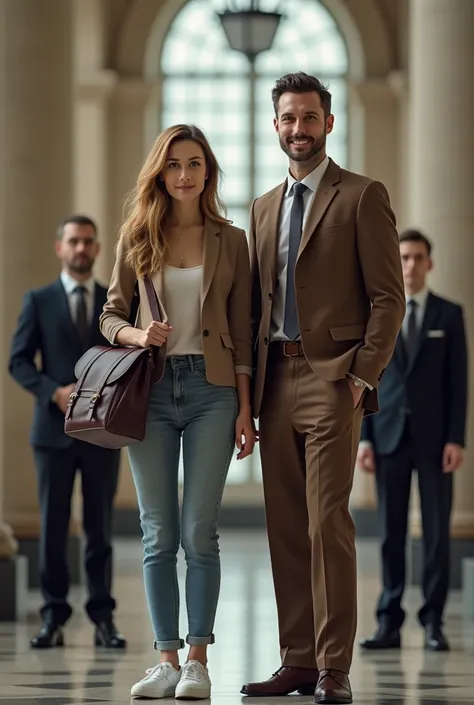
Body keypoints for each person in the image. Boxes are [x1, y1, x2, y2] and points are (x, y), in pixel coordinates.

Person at [241, 72, 405, 705]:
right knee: (284, 524)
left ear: (328, 123)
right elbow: (253, 306)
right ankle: (299, 660)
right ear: (275, 124)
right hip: (274, 378)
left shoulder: (362, 196)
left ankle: (335, 665)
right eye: (288, 118)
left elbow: (388, 297)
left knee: (326, 523)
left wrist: (363, 374)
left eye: (310, 118)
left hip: (336, 378)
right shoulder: (260, 208)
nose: (299, 129)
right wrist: (246, 393)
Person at [100, 124, 255, 700]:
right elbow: (109, 316)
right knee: (157, 531)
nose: (184, 174)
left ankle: (197, 659)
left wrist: (245, 408)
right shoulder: (138, 236)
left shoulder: (230, 239)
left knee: (199, 531)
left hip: (214, 391)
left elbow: (242, 331)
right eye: (174, 165)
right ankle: (165, 659)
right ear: (160, 174)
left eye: (194, 164)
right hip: (154, 390)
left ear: (208, 172)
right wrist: (139, 334)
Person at [9, 215, 125, 650]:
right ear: (60, 247)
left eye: (88, 242)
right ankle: (52, 617)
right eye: (73, 241)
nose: (81, 249)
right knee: (53, 527)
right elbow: (18, 361)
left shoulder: (112, 303)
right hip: (52, 433)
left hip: (101, 431)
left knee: (100, 529)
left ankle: (103, 618)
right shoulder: (37, 300)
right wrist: (52, 392)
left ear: (96, 250)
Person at [358, 229, 468, 653]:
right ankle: (388, 620)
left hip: (436, 439)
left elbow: (459, 384)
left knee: (438, 533)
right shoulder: (378, 315)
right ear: (396, 261)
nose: (410, 264)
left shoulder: (449, 314)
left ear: (429, 263)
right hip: (387, 436)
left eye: (418, 257)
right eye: (403, 257)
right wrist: (365, 438)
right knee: (390, 532)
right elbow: (367, 378)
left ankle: (434, 621)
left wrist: (456, 438)